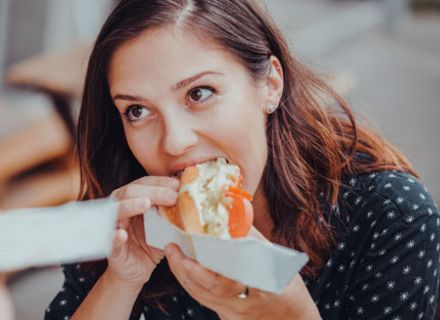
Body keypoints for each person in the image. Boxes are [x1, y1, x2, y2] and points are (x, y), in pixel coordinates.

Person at [44, 0, 440, 319]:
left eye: (199, 93)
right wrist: (121, 280)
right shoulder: (123, 219)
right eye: (137, 111)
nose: (175, 142)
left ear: (269, 85)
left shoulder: (392, 215)